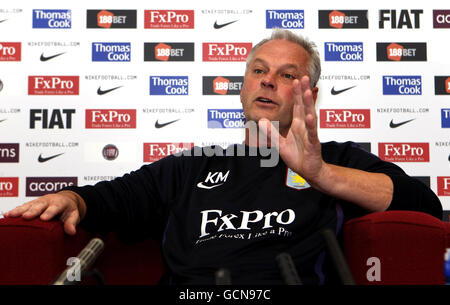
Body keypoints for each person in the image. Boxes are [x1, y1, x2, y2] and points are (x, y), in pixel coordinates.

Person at [5, 29, 442, 285]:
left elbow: (423, 207)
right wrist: (75, 200)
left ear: (309, 92)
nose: (268, 81)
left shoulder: (339, 161)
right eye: (258, 70)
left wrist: (321, 173)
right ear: (243, 86)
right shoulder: (193, 165)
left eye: (287, 74)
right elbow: (111, 199)